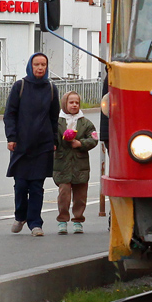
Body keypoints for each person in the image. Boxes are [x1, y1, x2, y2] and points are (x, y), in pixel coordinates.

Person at [5, 52, 60, 237]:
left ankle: (35, 223)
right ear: (30, 66)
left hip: (42, 146)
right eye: (36, 64)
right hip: (21, 145)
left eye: (43, 64)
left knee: (37, 186)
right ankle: (20, 216)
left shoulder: (51, 88)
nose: (40, 68)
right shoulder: (19, 87)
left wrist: (54, 140)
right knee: (21, 185)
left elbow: (54, 118)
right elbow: (9, 114)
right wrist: (11, 137)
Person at [54, 91, 97, 234]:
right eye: (71, 102)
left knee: (80, 196)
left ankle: (78, 220)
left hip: (81, 165)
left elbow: (94, 139)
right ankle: (62, 220)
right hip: (62, 164)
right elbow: (50, 137)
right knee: (64, 194)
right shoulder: (57, 122)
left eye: (76, 103)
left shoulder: (85, 123)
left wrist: (80, 143)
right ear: (65, 104)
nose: (74, 105)